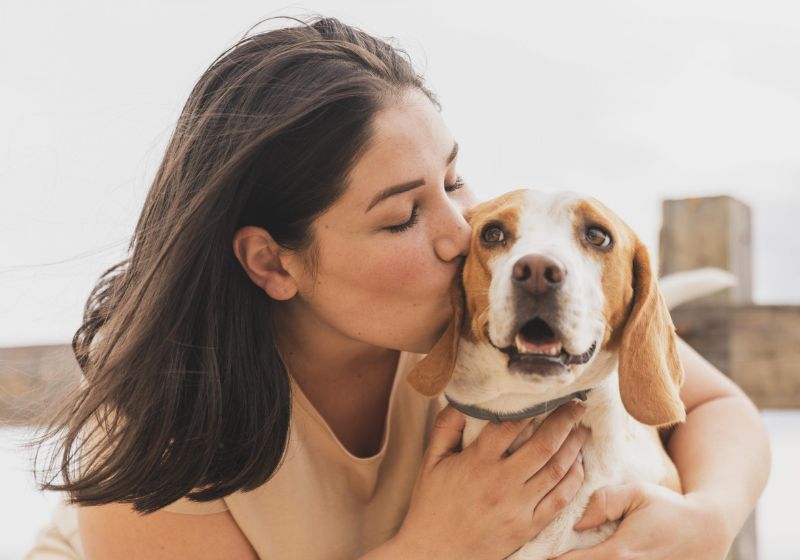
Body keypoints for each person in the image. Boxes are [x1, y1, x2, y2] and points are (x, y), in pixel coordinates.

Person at [27, 15, 770, 560]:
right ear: (273, 264)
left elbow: (715, 405)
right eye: (403, 217)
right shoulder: (151, 437)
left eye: (453, 180)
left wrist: (707, 520)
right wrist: (436, 546)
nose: (461, 232)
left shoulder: (473, 313)